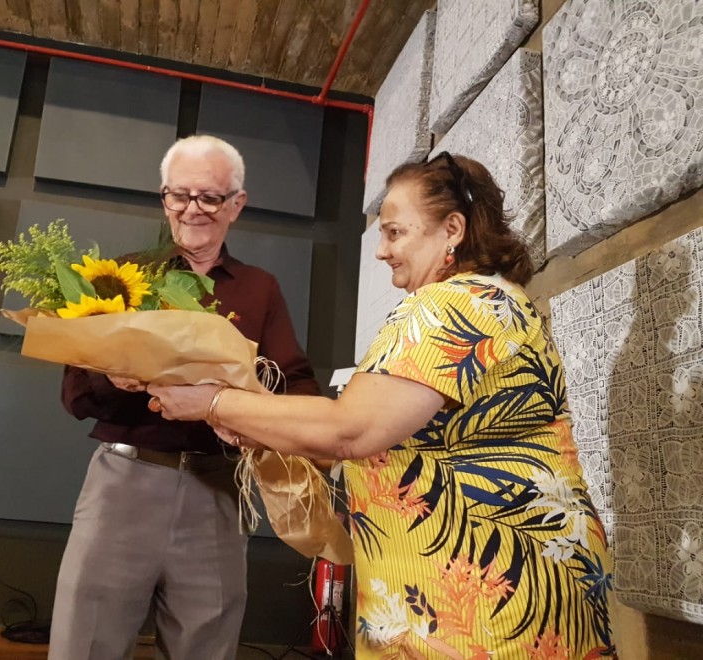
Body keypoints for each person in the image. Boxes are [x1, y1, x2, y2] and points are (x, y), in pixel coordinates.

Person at [149, 153, 616, 658]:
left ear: (452, 229)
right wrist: (252, 421)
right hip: (471, 589)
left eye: (394, 232)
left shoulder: (456, 304)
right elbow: (365, 445)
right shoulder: (487, 300)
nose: (380, 250)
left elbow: (349, 430)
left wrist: (214, 403)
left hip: (490, 598)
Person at [48, 135, 320, 660]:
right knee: (85, 644)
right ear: (163, 197)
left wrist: (241, 396)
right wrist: (116, 377)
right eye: (181, 195)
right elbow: (75, 395)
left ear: (236, 205)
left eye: (211, 197)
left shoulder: (260, 288)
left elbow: (297, 386)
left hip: (218, 489)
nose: (194, 209)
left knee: (206, 645)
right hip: (123, 484)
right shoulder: (120, 275)